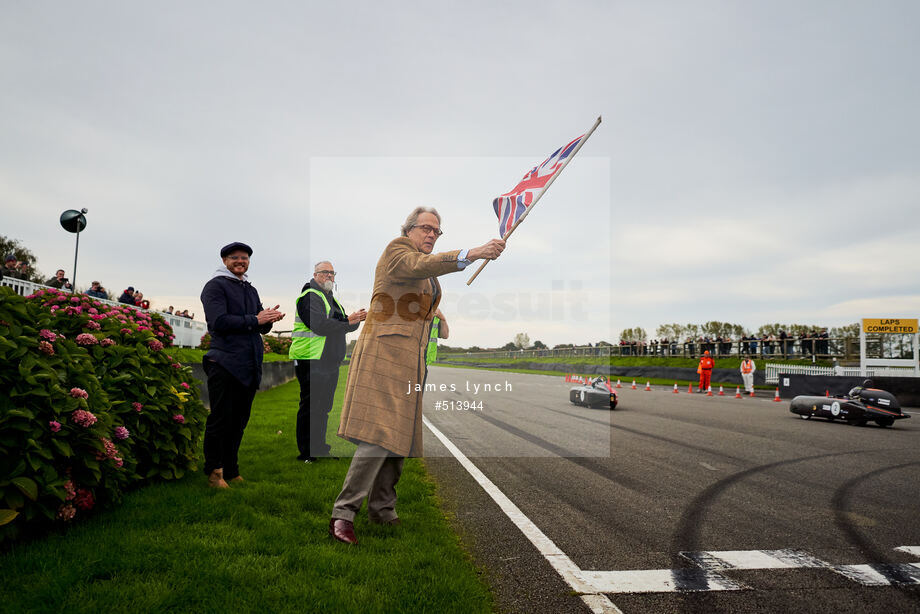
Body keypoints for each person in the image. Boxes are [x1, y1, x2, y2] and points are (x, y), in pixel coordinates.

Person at [329, 207, 504, 545]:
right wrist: (474, 253)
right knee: (379, 433)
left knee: (402, 436)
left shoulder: (429, 275)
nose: (431, 235)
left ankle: (382, 509)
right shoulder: (397, 251)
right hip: (384, 356)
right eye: (426, 229)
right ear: (408, 229)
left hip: (411, 361)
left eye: (437, 232)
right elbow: (420, 265)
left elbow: (423, 293)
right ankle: (343, 513)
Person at [200, 242, 284, 488]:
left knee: (238, 421)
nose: (240, 261)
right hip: (224, 362)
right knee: (220, 419)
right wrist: (255, 319)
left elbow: (257, 325)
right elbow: (219, 322)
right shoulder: (215, 286)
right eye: (235, 257)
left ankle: (231, 469)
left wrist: (268, 320)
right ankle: (214, 471)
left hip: (248, 365)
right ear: (225, 261)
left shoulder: (250, 288)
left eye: (245, 257)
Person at [289, 260, 366, 462]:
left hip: (329, 362)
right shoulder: (310, 296)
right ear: (315, 275)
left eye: (332, 273)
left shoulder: (330, 298)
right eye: (325, 272)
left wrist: (354, 320)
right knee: (311, 407)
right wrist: (347, 321)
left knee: (323, 408)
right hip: (312, 360)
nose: (330, 276)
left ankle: (320, 449)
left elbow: (344, 325)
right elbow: (320, 325)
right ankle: (306, 453)